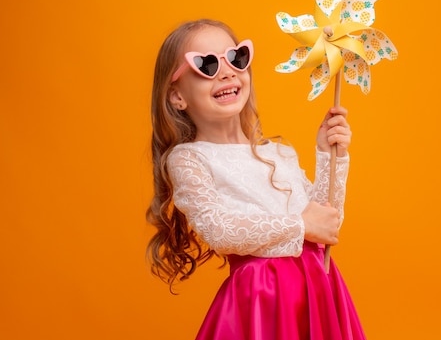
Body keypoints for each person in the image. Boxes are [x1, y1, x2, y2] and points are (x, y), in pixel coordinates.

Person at [147, 19, 366, 340]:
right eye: (207, 64)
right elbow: (220, 232)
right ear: (177, 96)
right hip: (262, 298)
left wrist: (329, 156)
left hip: (316, 287)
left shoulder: (278, 152)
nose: (226, 72)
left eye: (236, 58)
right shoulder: (190, 159)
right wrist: (301, 226)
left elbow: (326, 223)